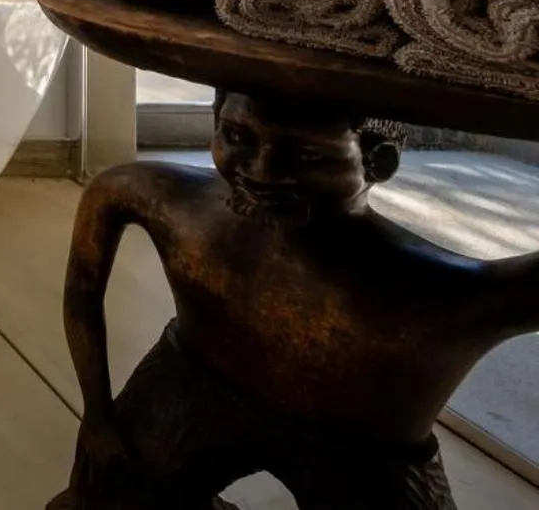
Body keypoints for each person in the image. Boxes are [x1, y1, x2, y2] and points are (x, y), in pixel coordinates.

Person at [49, 90, 539, 509]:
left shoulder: (432, 296)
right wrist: (97, 412)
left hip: (364, 444)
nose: (262, 170)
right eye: (238, 136)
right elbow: (84, 286)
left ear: (378, 160)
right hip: (195, 376)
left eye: (307, 156)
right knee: (107, 489)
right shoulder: (161, 201)